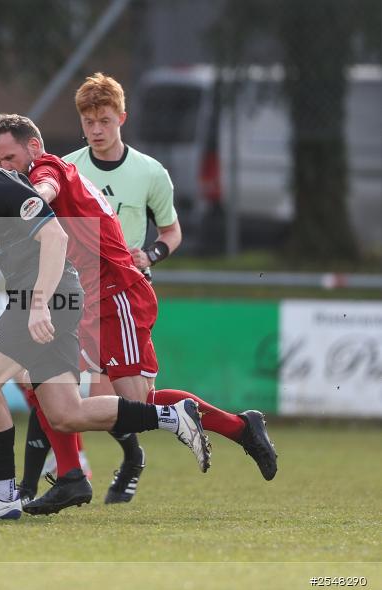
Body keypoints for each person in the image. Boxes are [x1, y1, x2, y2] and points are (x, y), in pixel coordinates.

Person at [0, 118, 209, 521]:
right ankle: (170, 416)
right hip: (51, 297)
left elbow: (56, 236)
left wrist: (37, 304)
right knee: (65, 413)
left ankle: (3, 496)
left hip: (47, 296)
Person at [0, 113, 276, 515]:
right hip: (86, 299)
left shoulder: (47, 170)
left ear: (32, 148)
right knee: (40, 380)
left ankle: (240, 427)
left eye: (9, 157)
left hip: (116, 296)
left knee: (138, 405)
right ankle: (70, 478)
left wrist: (23, 203)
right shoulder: (51, 171)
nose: (5, 168)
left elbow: (44, 191)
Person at [64, 73, 278, 491]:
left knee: (119, 402)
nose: (96, 129)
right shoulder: (69, 167)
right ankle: (91, 468)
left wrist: (152, 253)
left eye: (104, 120)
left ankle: (83, 471)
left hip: (124, 292)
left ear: (122, 118)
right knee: (91, 402)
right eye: (88, 121)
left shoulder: (150, 172)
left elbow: (171, 231)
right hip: (84, 293)